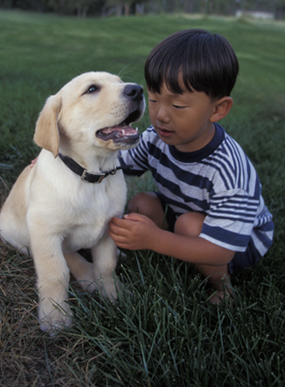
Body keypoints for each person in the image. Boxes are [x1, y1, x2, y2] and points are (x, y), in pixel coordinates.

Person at [108, 29, 274, 303]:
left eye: (177, 105)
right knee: (141, 204)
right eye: (154, 99)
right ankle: (181, 247)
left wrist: (154, 240)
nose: (160, 115)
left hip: (239, 242)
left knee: (188, 226)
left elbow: (222, 251)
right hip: (187, 217)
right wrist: (67, 162)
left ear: (217, 109)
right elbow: (116, 165)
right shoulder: (155, 138)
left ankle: (223, 290)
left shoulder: (229, 171)